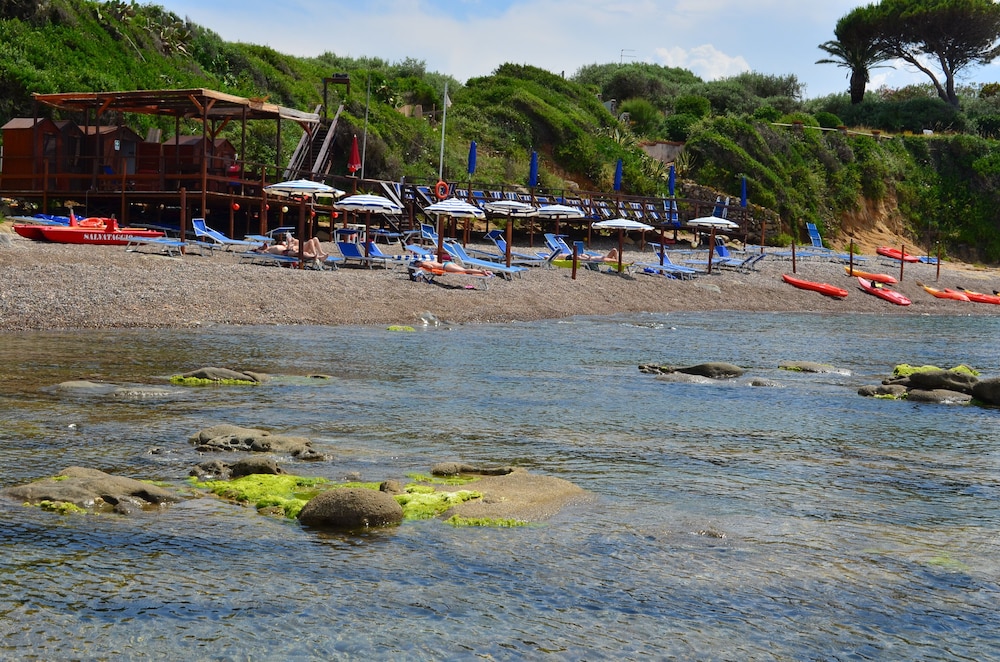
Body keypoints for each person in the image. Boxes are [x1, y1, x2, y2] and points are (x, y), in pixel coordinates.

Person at [257, 233, 330, 260]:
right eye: (263, 245)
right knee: (310, 242)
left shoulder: (275, 246)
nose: (265, 244)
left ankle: (321, 253)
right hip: (288, 252)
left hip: (294, 249)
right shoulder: (267, 250)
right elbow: (259, 251)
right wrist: (289, 243)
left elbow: (296, 244)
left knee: (315, 239)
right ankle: (316, 256)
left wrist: (293, 241)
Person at [413, 258, 492, 276]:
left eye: (417, 265)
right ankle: (485, 272)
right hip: (447, 263)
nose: (417, 266)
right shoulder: (427, 261)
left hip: (445, 267)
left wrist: (423, 266)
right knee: (464, 270)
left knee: (465, 271)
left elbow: (430, 267)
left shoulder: (424, 264)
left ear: (419, 263)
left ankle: (482, 271)